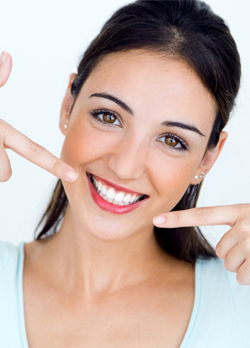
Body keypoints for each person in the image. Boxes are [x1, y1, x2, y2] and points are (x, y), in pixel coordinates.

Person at [0, 0, 250, 347]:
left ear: (207, 159)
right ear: (68, 107)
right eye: (108, 116)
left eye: (171, 140)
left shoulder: (241, 304)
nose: (125, 166)